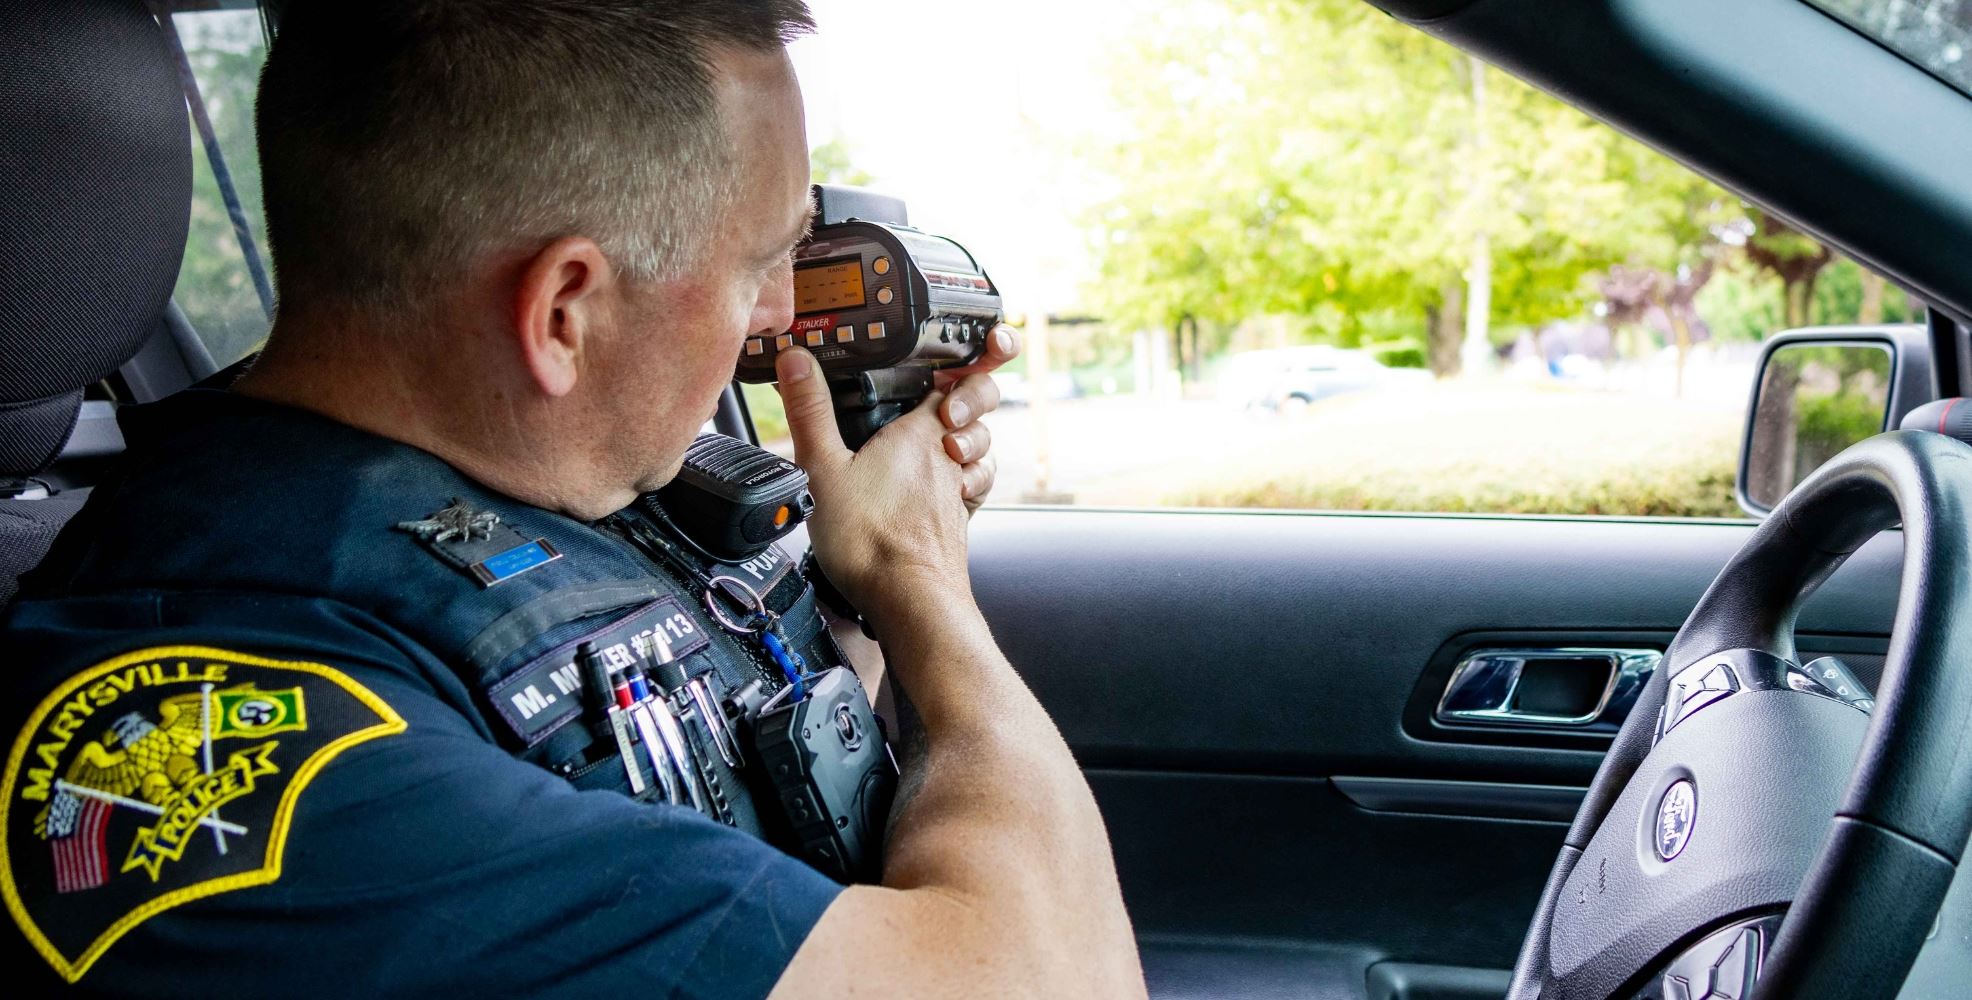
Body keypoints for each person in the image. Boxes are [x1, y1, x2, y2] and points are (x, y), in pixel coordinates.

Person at [0, 1, 1145, 996]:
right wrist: (920, 580)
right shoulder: (246, 749)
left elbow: (777, 766)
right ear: (563, 312)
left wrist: (849, 587)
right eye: (759, 262)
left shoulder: (561, 489)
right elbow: (1055, 981)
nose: (779, 317)